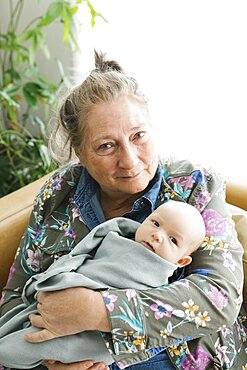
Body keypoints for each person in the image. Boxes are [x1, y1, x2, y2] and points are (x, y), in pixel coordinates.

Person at [0, 50, 246, 370]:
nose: (129, 161)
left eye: (138, 136)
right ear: (80, 152)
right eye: (106, 146)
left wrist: (98, 310)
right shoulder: (58, 193)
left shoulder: (194, 185)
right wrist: (50, 362)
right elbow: (16, 295)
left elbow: (218, 297)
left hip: (177, 358)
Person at [0, 201, 206, 369]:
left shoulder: (163, 280)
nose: (157, 235)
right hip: (63, 293)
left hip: (100, 334)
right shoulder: (116, 234)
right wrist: (58, 279)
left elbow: (155, 317)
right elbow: (79, 257)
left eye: (173, 240)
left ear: (181, 262)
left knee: (29, 345)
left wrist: (94, 307)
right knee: (24, 320)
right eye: (155, 223)